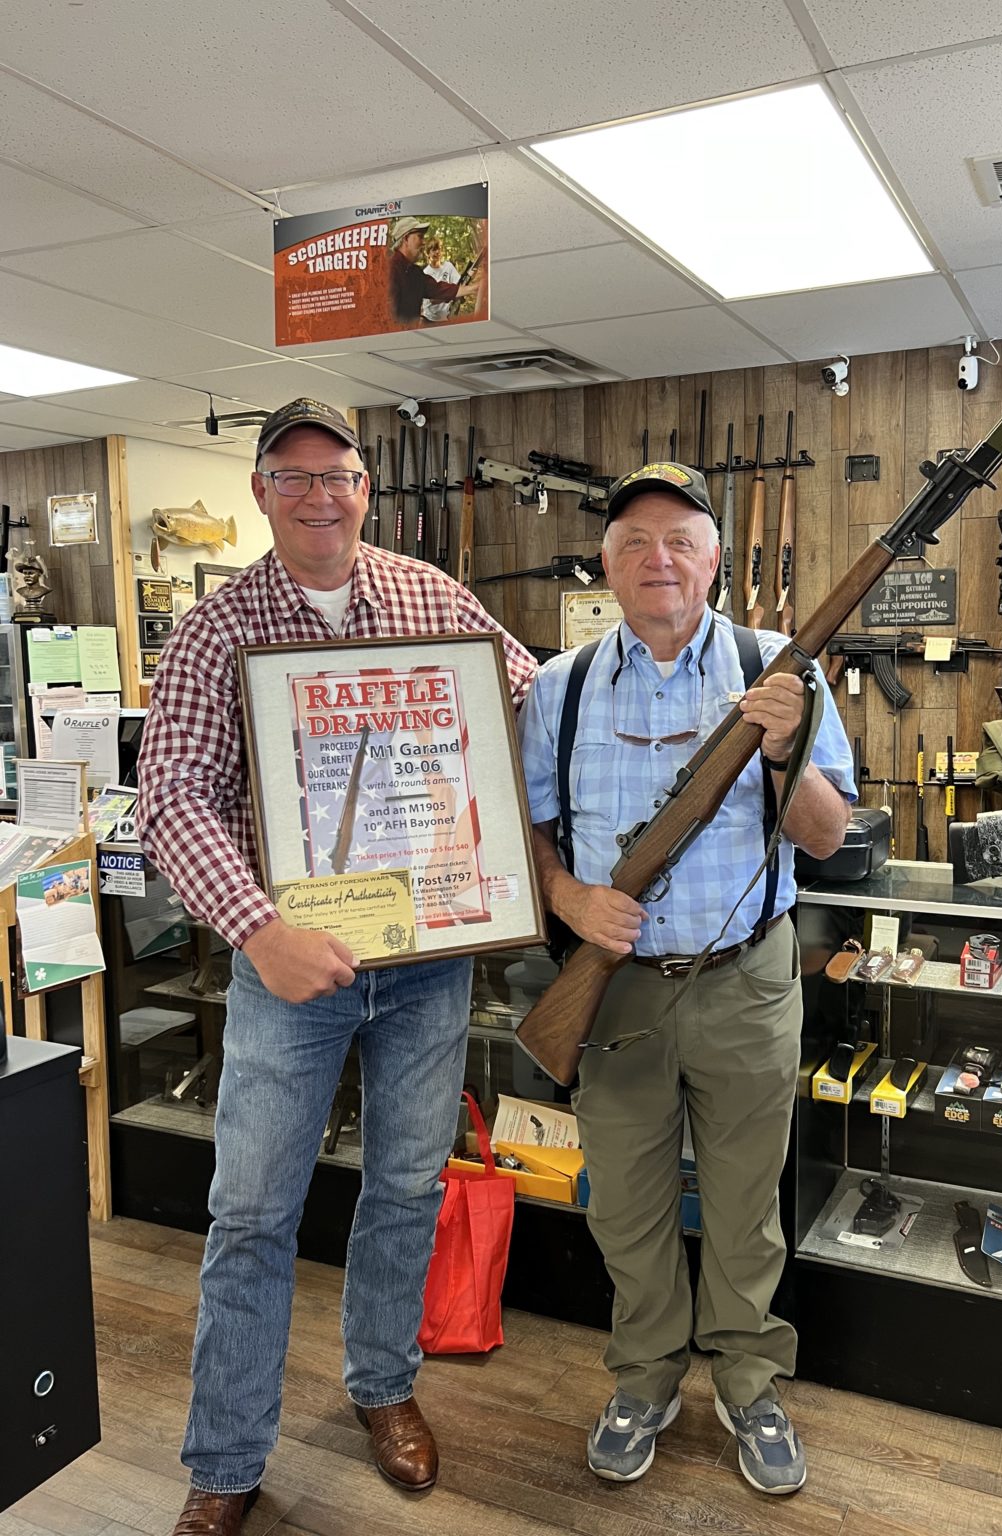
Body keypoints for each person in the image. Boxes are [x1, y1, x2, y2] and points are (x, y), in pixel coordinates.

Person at [136, 397, 536, 1536]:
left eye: (339, 475)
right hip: (287, 968)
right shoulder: (216, 630)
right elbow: (171, 800)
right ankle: (226, 1459)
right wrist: (260, 930)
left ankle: (382, 1385)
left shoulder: (431, 598)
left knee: (406, 1187)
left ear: (368, 489)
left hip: (426, 961)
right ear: (261, 492)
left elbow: (526, 700)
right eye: (294, 475)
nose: (319, 495)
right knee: (252, 1213)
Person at [516, 462, 855, 1497]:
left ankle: (750, 1382)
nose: (656, 559)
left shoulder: (778, 673)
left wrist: (785, 750)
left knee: (747, 1201)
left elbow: (827, 836)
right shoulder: (560, 687)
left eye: (679, 541)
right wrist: (571, 902)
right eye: (634, 542)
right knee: (626, 1201)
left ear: (714, 562)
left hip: (745, 980)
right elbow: (529, 833)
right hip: (613, 985)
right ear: (606, 565)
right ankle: (646, 1377)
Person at [387, 217, 480, 329]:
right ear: (406, 238)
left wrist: (476, 287)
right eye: (420, 237)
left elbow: (439, 289)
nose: (423, 242)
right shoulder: (389, 270)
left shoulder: (416, 273)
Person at [421, 237, 461, 323]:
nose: (437, 252)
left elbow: (459, 285)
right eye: (434, 250)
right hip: (429, 320)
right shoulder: (425, 273)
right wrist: (451, 294)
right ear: (428, 253)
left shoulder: (448, 267)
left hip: (447, 318)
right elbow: (433, 300)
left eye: (439, 249)